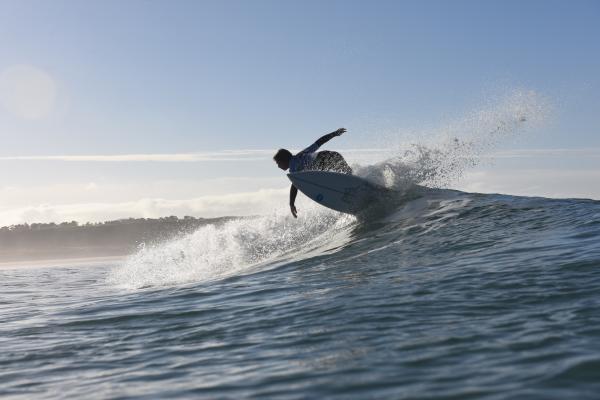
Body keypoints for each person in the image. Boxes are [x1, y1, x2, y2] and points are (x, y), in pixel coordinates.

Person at [273, 128, 352, 218]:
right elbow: (319, 142)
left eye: (278, 163)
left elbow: (295, 185)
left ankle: (346, 191)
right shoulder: (302, 154)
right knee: (349, 175)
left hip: (324, 160)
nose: (278, 166)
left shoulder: (293, 167)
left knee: (324, 179)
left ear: (284, 160)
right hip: (333, 155)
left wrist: (291, 203)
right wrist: (334, 133)